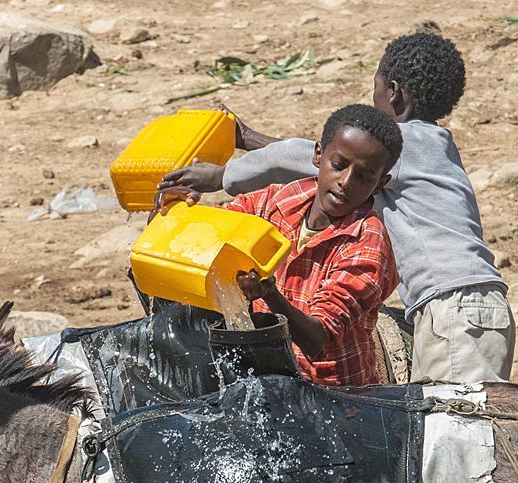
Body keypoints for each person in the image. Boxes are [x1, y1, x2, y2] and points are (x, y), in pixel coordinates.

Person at [159, 33, 515, 383]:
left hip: (454, 309)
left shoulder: (405, 146)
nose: (345, 181)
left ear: (392, 91)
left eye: (374, 84)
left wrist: (223, 173)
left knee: (456, 425)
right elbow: (328, 152)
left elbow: (303, 155)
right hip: (461, 307)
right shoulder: (431, 147)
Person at [158, 103, 402, 387]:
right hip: (267, 379)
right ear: (318, 155)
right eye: (338, 165)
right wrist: (179, 212)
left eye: (363, 177)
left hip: (336, 396)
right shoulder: (276, 201)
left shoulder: (367, 243)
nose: (345, 182)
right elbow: (214, 235)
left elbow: (317, 340)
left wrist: (270, 295)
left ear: (379, 184)